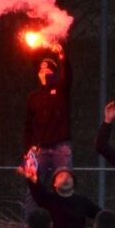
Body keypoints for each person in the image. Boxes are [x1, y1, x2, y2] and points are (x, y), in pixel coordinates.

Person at [23, 49, 73, 212]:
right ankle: (31, 227)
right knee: (33, 187)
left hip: (60, 147)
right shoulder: (33, 97)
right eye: (41, 70)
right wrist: (27, 151)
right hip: (39, 149)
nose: (44, 73)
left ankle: (66, 222)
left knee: (65, 186)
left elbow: (68, 76)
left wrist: (62, 56)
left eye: (48, 70)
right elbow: (28, 127)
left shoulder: (61, 90)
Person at [22, 164, 99, 228]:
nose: (65, 178)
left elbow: (101, 215)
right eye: (61, 176)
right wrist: (31, 173)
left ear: (74, 183)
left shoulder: (83, 201)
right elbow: (35, 187)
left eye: (69, 177)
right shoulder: (48, 199)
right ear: (54, 183)